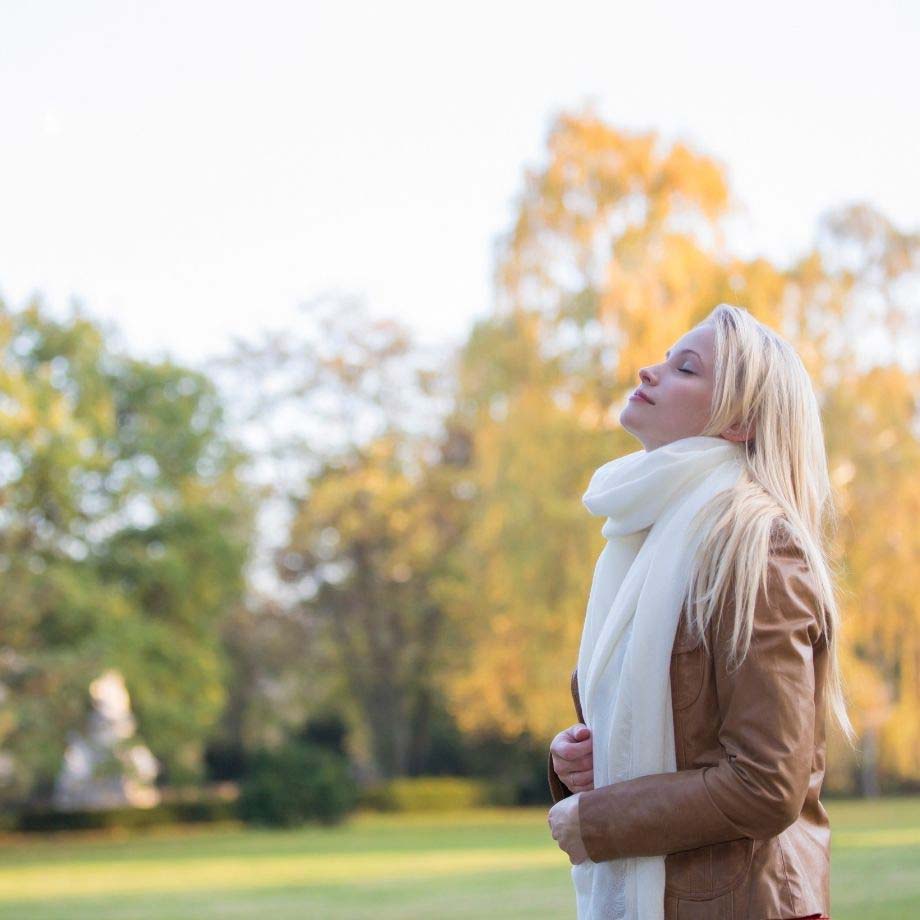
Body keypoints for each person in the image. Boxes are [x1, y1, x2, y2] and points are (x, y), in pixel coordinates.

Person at [546, 303, 853, 919]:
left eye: (684, 368)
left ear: (740, 420)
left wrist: (599, 818)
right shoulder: (644, 541)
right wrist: (579, 759)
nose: (647, 371)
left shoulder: (757, 547)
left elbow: (767, 785)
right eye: (664, 358)